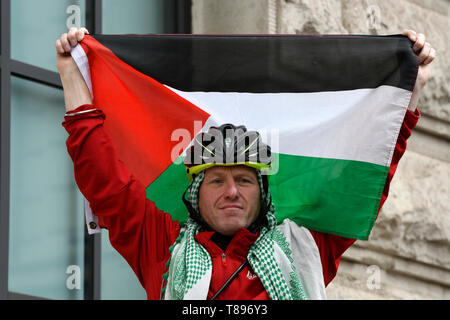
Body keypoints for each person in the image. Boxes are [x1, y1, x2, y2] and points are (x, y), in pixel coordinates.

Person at [56, 28, 435, 300]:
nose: (232, 191)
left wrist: (409, 91)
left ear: (263, 190)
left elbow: (363, 175)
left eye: (244, 179)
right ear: (194, 192)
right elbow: (107, 185)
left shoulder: (307, 246)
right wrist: (73, 81)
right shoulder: (161, 244)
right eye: (216, 180)